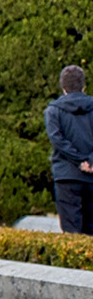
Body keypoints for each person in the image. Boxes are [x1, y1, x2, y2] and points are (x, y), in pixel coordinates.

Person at [50, 65, 93, 235]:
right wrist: (90, 160)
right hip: (91, 175)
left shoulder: (54, 111)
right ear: (83, 86)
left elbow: (57, 140)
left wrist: (78, 161)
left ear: (63, 87)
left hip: (66, 175)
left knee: (71, 231)